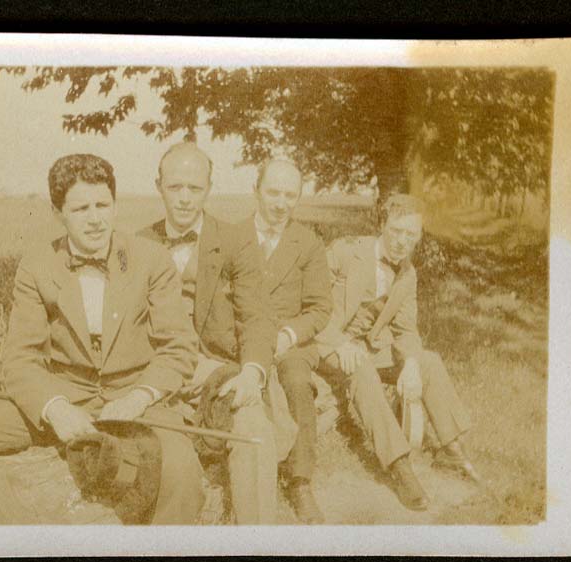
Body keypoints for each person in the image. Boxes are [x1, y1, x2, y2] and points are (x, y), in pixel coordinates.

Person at [0, 153, 204, 524]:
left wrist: (138, 397)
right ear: (57, 212)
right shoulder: (36, 266)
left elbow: (179, 347)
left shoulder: (152, 258)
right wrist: (55, 408)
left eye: (103, 205)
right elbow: (20, 358)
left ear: (115, 205)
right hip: (64, 394)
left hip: (136, 399)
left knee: (181, 471)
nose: (95, 219)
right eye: (80, 209)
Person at [139, 142, 285, 525]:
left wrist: (252, 372)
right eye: (175, 187)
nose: (185, 198)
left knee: (254, 429)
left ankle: (260, 545)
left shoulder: (236, 240)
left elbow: (257, 317)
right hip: (158, 374)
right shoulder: (136, 244)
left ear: (209, 189)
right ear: (158, 186)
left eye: (195, 188)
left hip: (219, 372)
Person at [316, 193, 474, 511]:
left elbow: (406, 330)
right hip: (325, 342)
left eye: (411, 235)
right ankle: (400, 466)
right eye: (396, 231)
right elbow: (308, 305)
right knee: (360, 367)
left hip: (366, 348)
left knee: (428, 361)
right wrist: (340, 342)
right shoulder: (345, 252)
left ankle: (451, 450)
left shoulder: (407, 274)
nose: (402, 242)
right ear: (382, 225)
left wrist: (411, 363)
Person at [244, 158, 332, 523]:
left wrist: (288, 334)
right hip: (243, 338)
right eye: (273, 193)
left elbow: (320, 308)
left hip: (289, 343)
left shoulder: (308, 243)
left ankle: (300, 480)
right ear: (256, 191)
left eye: (290, 196)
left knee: (296, 381)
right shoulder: (233, 237)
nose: (281, 204)